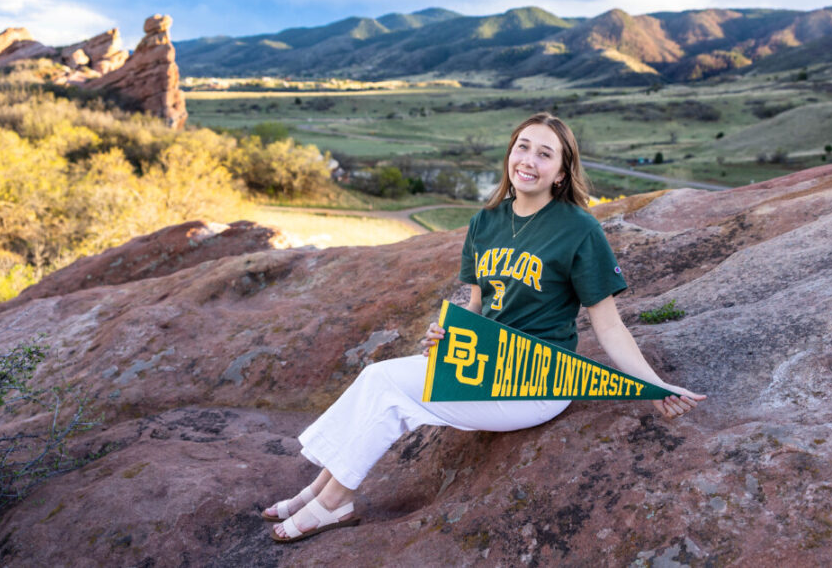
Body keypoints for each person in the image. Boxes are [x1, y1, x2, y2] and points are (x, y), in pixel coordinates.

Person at [265, 112, 706, 543]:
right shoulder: (486, 220)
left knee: (386, 386)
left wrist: (652, 385)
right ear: (510, 154)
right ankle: (320, 490)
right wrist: (446, 333)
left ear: (561, 172)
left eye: (544, 154)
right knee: (375, 378)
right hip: (482, 362)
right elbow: (477, 305)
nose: (529, 161)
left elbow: (609, 327)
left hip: (538, 381)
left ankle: (336, 500)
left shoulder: (579, 230)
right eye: (522, 147)